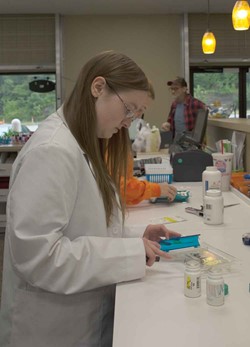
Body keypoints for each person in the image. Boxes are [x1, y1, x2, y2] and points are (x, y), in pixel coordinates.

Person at [0, 51, 181, 347]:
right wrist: (130, 253)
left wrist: (135, 237)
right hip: (49, 330)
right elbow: (39, 258)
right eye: (128, 109)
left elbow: (86, 224)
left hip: (80, 317)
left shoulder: (82, 143)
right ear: (98, 88)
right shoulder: (51, 151)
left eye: (136, 115)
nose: (129, 122)